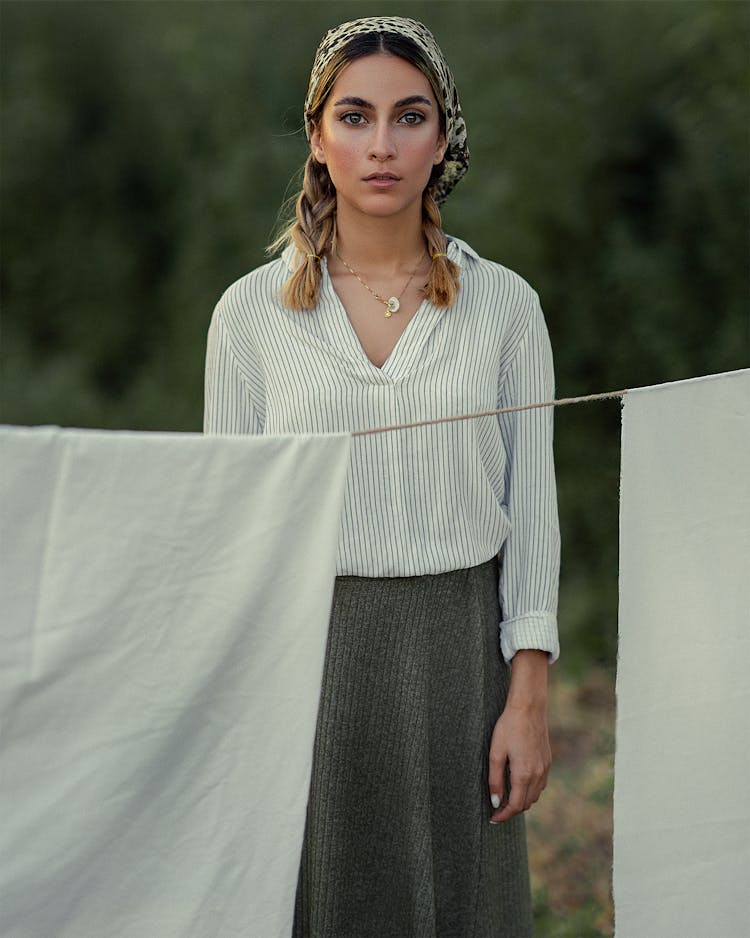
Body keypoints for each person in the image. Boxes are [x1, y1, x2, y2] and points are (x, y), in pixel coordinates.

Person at [204, 15, 560, 938]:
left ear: (442, 138)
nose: (382, 145)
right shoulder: (248, 318)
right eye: (355, 118)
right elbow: (233, 539)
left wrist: (526, 700)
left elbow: (535, 518)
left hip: (458, 667)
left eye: (410, 117)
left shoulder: (506, 309)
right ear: (318, 138)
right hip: (308, 668)